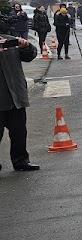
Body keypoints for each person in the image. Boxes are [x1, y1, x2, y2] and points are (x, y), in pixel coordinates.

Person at [0, 30, 40, 171]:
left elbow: (30, 56)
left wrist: (26, 46)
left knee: (19, 133)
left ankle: (20, 161)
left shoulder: (9, 40)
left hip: (15, 97)